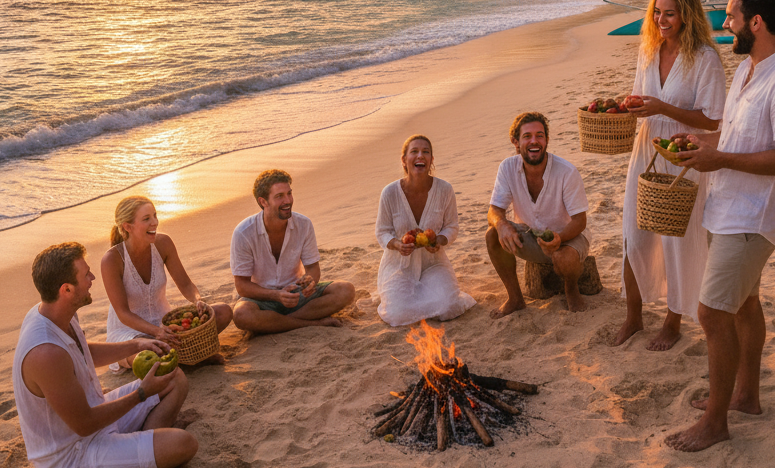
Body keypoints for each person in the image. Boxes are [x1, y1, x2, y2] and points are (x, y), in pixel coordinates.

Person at [664, 0, 775, 452]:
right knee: (745, 304)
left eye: (730, 16)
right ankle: (745, 397)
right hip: (726, 206)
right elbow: (736, 135)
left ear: (756, 21)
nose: (724, 22)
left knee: (711, 313)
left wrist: (721, 159)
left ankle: (714, 423)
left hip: (754, 216)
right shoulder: (751, 69)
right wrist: (704, 144)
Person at [12, 241, 198, 468]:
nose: (92, 278)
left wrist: (137, 345)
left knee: (175, 377)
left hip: (98, 413)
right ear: (66, 289)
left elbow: (82, 351)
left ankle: (143, 452)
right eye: (85, 274)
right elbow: (85, 425)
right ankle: (145, 463)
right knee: (184, 444)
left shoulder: (52, 312)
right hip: (74, 455)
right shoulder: (46, 353)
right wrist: (142, 393)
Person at [611, 0, 726, 351]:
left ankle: (673, 322)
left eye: (670, 14)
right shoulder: (648, 50)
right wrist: (630, 104)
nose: (661, 20)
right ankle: (633, 317)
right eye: (657, 12)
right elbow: (640, 95)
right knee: (635, 233)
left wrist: (661, 107)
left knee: (676, 239)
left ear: (686, 15)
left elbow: (712, 120)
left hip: (683, 154)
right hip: (646, 148)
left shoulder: (704, 57)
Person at [101, 196, 233, 368]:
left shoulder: (163, 243)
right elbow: (123, 313)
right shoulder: (112, 259)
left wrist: (197, 300)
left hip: (166, 325)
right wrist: (157, 332)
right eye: (146, 219)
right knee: (145, 355)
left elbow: (186, 285)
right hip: (129, 333)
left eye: (155, 215)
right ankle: (188, 356)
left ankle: (179, 357)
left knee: (222, 311)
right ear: (128, 227)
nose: (154, 222)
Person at [485, 112, 592, 318]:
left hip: (569, 237)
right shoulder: (507, 167)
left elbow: (580, 221)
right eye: (527, 136)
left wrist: (560, 238)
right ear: (516, 142)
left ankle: (571, 289)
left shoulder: (566, 172)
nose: (534, 141)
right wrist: (501, 225)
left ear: (547, 140)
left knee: (564, 258)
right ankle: (515, 298)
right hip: (531, 235)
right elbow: (494, 211)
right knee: (492, 235)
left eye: (540, 135)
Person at [230, 169, 356, 334]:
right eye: (279, 196)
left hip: (296, 294)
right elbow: (242, 286)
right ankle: (311, 323)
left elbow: (313, 268)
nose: (288, 200)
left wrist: (311, 281)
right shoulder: (243, 232)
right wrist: (275, 296)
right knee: (241, 314)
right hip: (261, 298)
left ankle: (278, 323)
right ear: (263, 202)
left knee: (346, 290)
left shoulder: (304, 224)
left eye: (289, 193)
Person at [375, 134, 476, 326]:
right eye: (414, 151)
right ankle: (402, 296)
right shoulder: (389, 192)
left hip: (434, 263)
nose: (420, 155)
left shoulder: (445, 190)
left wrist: (440, 240)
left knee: (450, 306)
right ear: (404, 160)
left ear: (431, 160)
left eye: (426, 152)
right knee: (396, 314)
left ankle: (426, 295)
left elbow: (452, 226)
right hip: (399, 266)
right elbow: (382, 231)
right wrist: (397, 244)